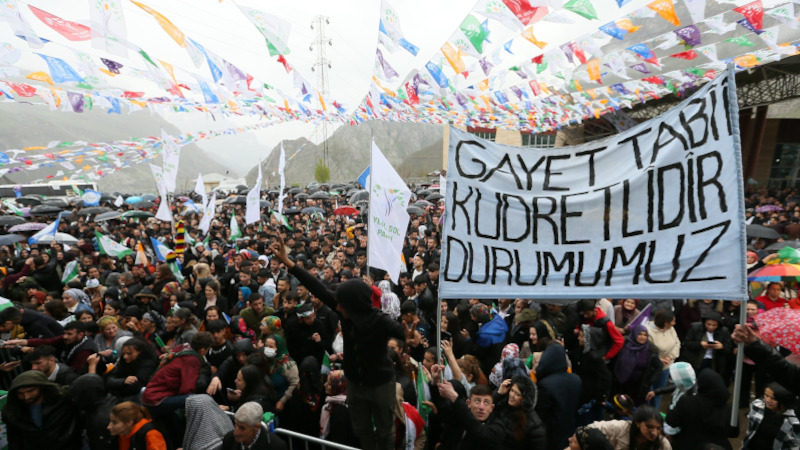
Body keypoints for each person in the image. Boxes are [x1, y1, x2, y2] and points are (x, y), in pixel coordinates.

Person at [271, 236, 406, 450]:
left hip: (380, 384)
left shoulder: (380, 320)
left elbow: (402, 334)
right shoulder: (345, 312)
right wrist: (289, 264)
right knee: (361, 429)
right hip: (355, 382)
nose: (337, 307)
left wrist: (409, 337)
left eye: (341, 304)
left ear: (353, 304)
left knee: (384, 431)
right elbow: (316, 287)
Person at [1, 370, 82, 450]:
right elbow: (14, 441)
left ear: (41, 386)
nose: (26, 396)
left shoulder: (62, 400)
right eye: (20, 393)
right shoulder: (13, 411)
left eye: (30, 391)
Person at [664, 369, 735, 450]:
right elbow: (734, 433)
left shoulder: (687, 402)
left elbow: (671, 420)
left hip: (688, 445)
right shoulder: (730, 409)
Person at [535, 344, 581, 450]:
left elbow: (540, 415)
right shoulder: (576, 380)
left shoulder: (545, 384)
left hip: (550, 435)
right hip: (570, 430)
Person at [612, 324, 661, 405]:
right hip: (621, 383)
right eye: (640, 334)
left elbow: (658, 367)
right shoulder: (624, 344)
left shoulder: (651, 350)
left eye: (645, 335)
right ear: (634, 334)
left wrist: (648, 383)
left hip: (638, 386)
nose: (643, 337)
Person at [741, 382, 800, 449]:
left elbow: (794, 446)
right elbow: (750, 430)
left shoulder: (792, 423)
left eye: (773, 398)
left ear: (783, 400)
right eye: (766, 395)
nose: (768, 400)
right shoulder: (757, 405)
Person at [587, 405, 672, 450]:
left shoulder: (663, 444)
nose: (654, 432)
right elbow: (589, 430)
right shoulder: (620, 428)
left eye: (658, 428)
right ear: (637, 422)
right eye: (649, 427)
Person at [68, 374, 115, 450]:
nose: (74, 400)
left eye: (76, 396)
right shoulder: (109, 398)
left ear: (85, 395)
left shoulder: (99, 421)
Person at [647, 310, 680, 409]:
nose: (674, 323)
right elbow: (647, 351)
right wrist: (659, 360)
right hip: (652, 368)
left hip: (666, 367)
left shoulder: (671, 328)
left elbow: (677, 343)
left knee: (659, 391)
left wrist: (670, 357)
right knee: (648, 392)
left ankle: (655, 411)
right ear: (666, 323)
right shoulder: (648, 332)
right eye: (673, 321)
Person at [221, 401, 289, 450]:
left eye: (242, 428)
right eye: (236, 425)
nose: (235, 432)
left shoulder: (276, 446)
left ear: (256, 427)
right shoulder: (229, 439)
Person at [320, 370, 359, 446]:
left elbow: (338, 441)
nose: (325, 384)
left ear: (338, 385)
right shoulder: (347, 402)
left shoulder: (340, 411)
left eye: (329, 383)